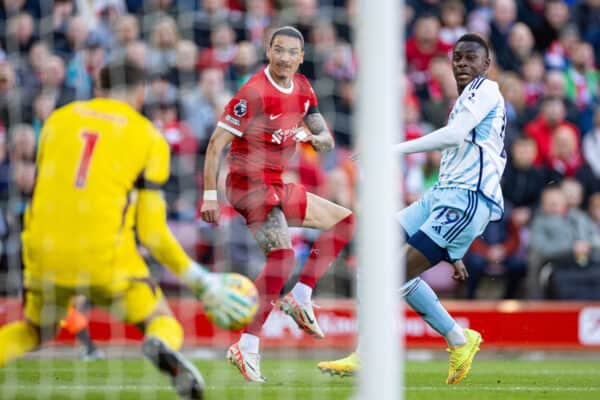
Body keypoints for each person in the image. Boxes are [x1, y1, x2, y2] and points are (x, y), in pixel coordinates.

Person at [0, 62, 255, 400]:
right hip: (103, 257)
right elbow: (151, 232)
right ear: (140, 93)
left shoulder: (57, 120)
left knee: (34, 331)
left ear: (97, 88)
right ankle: (161, 343)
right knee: (161, 319)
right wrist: (202, 282)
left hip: (41, 250)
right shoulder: (149, 136)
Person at [319, 33, 505, 385]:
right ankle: (457, 339)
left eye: (471, 59)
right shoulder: (467, 99)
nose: (463, 64)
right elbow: (464, 149)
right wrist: (453, 246)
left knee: (388, 276)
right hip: (442, 198)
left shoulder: (486, 90)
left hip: (466, 199)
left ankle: (372, 354)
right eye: (458, 59)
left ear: (486, 64)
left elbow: (452, 137)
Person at [200, 26, 356, 382]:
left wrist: (311, 135)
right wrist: (210, 195)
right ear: (268, 52)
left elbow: (328, 141)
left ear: (301, 57)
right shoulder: (253, 92)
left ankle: (300, 296)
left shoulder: (303, 88)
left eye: (292, 52)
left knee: (346, 220)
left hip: (274, 184)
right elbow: (214, 144)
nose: (285, 57)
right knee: (283, 257)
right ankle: (247, 345)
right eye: (279, 50)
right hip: (245, 184)